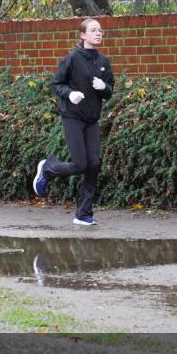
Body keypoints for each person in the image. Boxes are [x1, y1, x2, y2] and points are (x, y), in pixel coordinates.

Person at [32, 18, 115, 226]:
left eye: (100, 31)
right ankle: (48, 168)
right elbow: (57, 84)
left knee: (93, 165)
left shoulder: (103, 61)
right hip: (73, 117)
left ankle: (83, 214)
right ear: (83, 35)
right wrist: (70, 94)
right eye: (93, 30)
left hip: (92, 119)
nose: (98, 33)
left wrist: (103, 87)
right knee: (80, 164)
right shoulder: (72, 58)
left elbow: (109, 92)